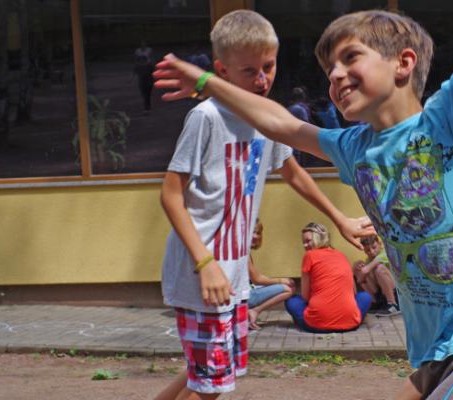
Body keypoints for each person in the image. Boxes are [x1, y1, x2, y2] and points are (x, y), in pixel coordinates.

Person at [153, 1, 453, 398]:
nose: (336, 75)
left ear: (403, 63)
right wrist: (206, 83)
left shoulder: (448, 119)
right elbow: (279, 123)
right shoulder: (352, 147)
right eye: (329, 70)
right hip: (438, 353)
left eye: (350, 57)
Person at [155, 10, 373, 400]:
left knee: (204, 375)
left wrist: (339, 218)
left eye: (268, 67)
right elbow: (170, 194)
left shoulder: (266, 120)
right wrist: (205, 264)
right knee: (210, 385)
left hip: (235, 274)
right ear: (221, 70)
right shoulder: (205, 117)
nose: (262, 79)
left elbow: (292, 173)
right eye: (249, 71)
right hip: (202, 274)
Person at [285, 222, 372, 333]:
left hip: (316, 325)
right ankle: (350, 318)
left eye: (308, 241)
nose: (305, 245)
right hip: (350, 324)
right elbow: (353, 293)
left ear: (319, 238)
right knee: (365, 297)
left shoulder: (309, 256)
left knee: (291, 301)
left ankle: (307, 321)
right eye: (303, 242)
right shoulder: (342, 255)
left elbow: (305, 297)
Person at [247, 221, 294, 330]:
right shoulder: (244, 253)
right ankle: (254, 311)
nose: (255, 236)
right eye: (252, 232)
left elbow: (257, 278)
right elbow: (257, 279)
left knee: (285, 285)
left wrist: (278, 280)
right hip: (245, 296)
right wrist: (281, 280)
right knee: (288, 289)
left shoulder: (244, 251)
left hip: (248, 289)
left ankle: (252, 311)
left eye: (258, 233)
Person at [352, 234, 399, 315]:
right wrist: (357, 267)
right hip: (380, 292)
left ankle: (393, 304)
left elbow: (365, 272)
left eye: (374, 247)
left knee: (379, 268)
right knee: (359, 267)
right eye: (367, 250)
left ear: (380, 244)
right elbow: (361, 276)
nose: (372, 252)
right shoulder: (369, 260)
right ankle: (375, 303)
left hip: (395, 291)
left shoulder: (385, 254)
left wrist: (362, 272)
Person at [133, 40, 154, 113]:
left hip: (148, 82)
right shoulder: (138, 66)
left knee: (147, 94)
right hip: (142, 82)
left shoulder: (149, 66)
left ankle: (147, 107)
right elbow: (135, 72)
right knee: (144, 94)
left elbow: (153, 73)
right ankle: (147, 107)